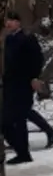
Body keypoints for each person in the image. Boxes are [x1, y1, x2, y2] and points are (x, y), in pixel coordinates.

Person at [2, 11, 45, 164]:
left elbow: (38, 59)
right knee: (5, 122)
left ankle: (23, 153)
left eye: (11, 20)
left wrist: (34, 77)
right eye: (7, 21)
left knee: (19, 120)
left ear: (18, 22)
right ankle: (20, 150)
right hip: (10, 86)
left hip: (23, 86)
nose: (8, 24)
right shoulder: (9, 39)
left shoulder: (27, 38)